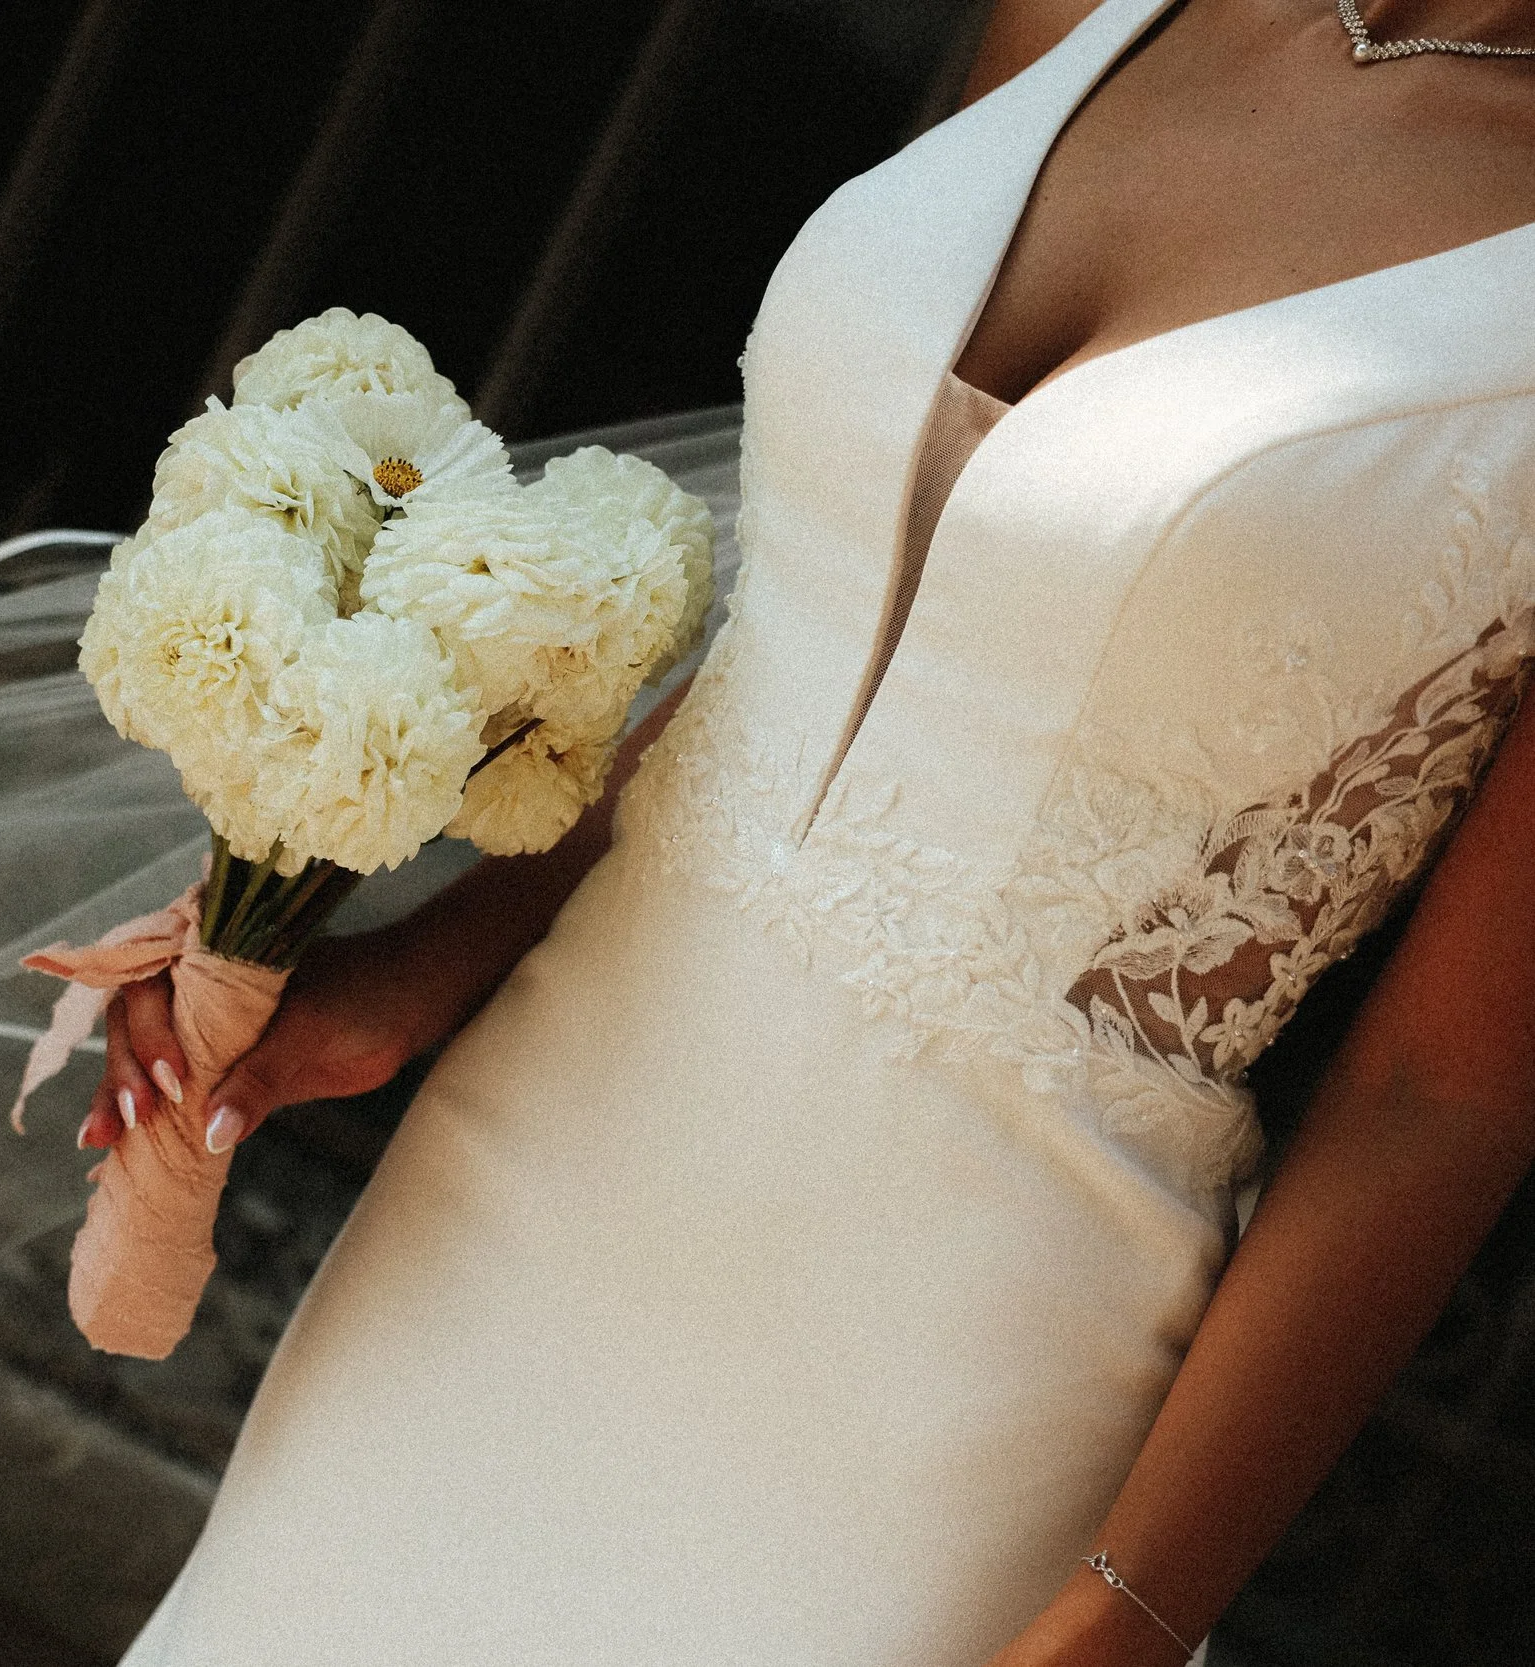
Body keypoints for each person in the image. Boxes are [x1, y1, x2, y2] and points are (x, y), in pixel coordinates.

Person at [82, 1, 1535, 1660]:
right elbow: (799, 644)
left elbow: (1449, 1091)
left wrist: (1125, 1611)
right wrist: (424, 967)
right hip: (518, 1187)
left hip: (950, 1375)